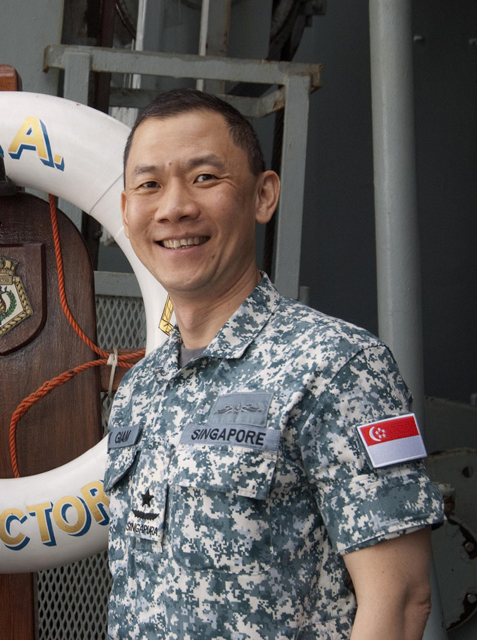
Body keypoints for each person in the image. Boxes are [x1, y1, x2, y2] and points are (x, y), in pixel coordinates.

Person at [105, 89, 444, 639]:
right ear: (126, 211)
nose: (174, 208)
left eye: (205, 178)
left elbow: (401, 602)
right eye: (149, 185)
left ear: (263, 196)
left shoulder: (338, 367)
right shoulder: (141, 388)